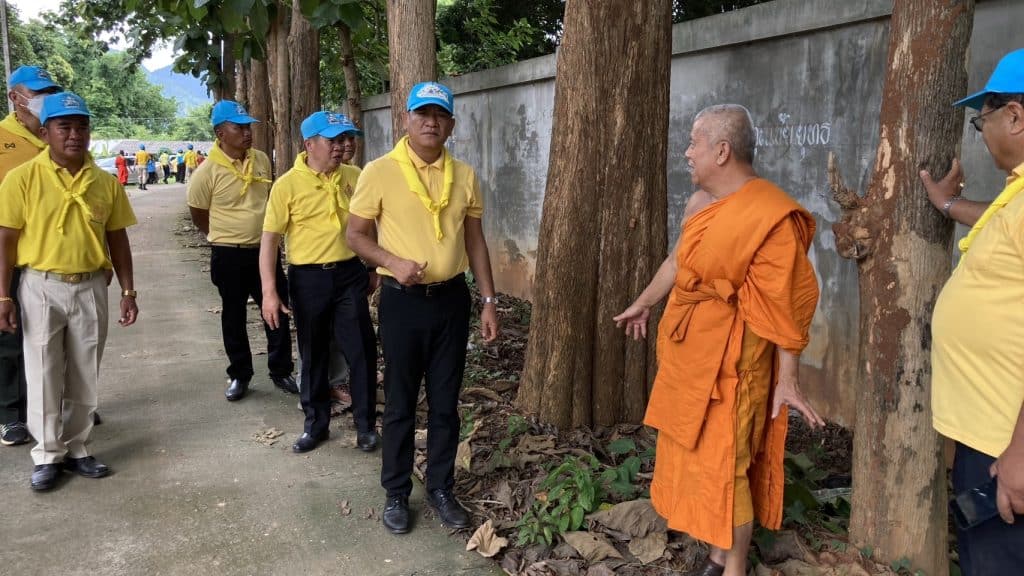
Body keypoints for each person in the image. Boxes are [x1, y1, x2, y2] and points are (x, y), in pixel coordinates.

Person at [613, 104, 822, 576]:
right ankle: (714, 553)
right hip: (692, 355)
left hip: (735, 364)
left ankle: (736, 566)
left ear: (722, 151)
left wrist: (787, 379)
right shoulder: (699, 204)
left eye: (693, 143)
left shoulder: (771, 216)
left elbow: (787, 307)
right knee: (694, 456)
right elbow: (676, 263)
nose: (687, 153)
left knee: (729, 467)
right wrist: (644, 302)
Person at [347, 81, 500, 535]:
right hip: (402, 302)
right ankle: (396, 491)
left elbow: (475, 241)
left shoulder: (466, 175)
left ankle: (440, 487)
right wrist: (392, 261)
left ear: (451, 123)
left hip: (451, 300)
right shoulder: (379, 171)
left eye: (440, 115)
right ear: (406, 119)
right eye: (422, 114)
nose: (431, 122)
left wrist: (489, 301)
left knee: (446, 403)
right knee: (399, 402)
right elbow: (355, 235)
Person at [0, 92, 138, 491]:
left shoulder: (104, 182)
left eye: (81, 126)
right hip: (41, 286)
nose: (74, 134)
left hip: (91, 284)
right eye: (65, 126)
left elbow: (119, 239)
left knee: (84, 370)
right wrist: (3, 297)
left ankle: (77, 447)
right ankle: (47, 454)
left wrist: (129, 290)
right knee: (42, 369)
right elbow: (6, 239)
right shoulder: (22, 179)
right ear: (46, 133)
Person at [920, 48, 1024, 576]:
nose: (981, 132)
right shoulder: (1018, 194)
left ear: (1015, 116)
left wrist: (1020, 456)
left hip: (1008, 447)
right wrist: (945, 204)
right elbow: (996, 222)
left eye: (982, 119)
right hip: (988, 438)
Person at [261, 111, 378, 454]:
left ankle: (366, 426)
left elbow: (369, 226)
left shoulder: (355, 176)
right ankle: (316, 425)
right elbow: (269, 241)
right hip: (308, 277)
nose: (342, 147)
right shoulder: (287, 185)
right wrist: (270, 291)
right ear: (309, 144)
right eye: (334, 140)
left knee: (361, 349)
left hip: (349, 275)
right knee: (313, 354)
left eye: (346, 139)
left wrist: (371, 267)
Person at [187, 100, 296, 401]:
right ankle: (240, 374)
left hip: (264, 252)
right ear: (221, 133)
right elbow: (199, 214)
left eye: (248, 127)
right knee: (233, 316)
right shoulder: (206, 173)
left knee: (277, 309)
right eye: (239, 127)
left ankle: (281, 369)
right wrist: (220, 235)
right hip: (228, 254)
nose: (247, 133)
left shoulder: (261, 159)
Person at [0, 65, 62, 447]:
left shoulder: (54, 136)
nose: (42, 99)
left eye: (48, 91)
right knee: (9, 336)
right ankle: (10, 414)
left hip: (51, 255)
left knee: (52, 337)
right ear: (15, 97)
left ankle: (54, 405)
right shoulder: (3, 139)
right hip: (11, 253)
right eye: (35, 92)